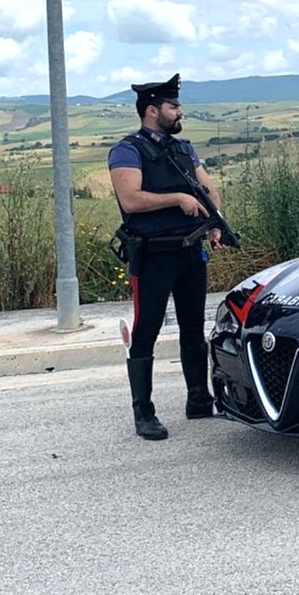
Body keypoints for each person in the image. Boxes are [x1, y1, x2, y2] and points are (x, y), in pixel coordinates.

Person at [108, 74, 225, 440]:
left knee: (194, 330)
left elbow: (207, 188)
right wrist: (176, 199)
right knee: (146, 333)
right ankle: (144, 414)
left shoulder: (184, 149)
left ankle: (199, 401)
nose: (180, 112)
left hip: (190, 254)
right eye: (174, 107)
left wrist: (215, 221)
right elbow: (131, 199)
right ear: (152, 110)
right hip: (154, 257)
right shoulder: (128, 150)